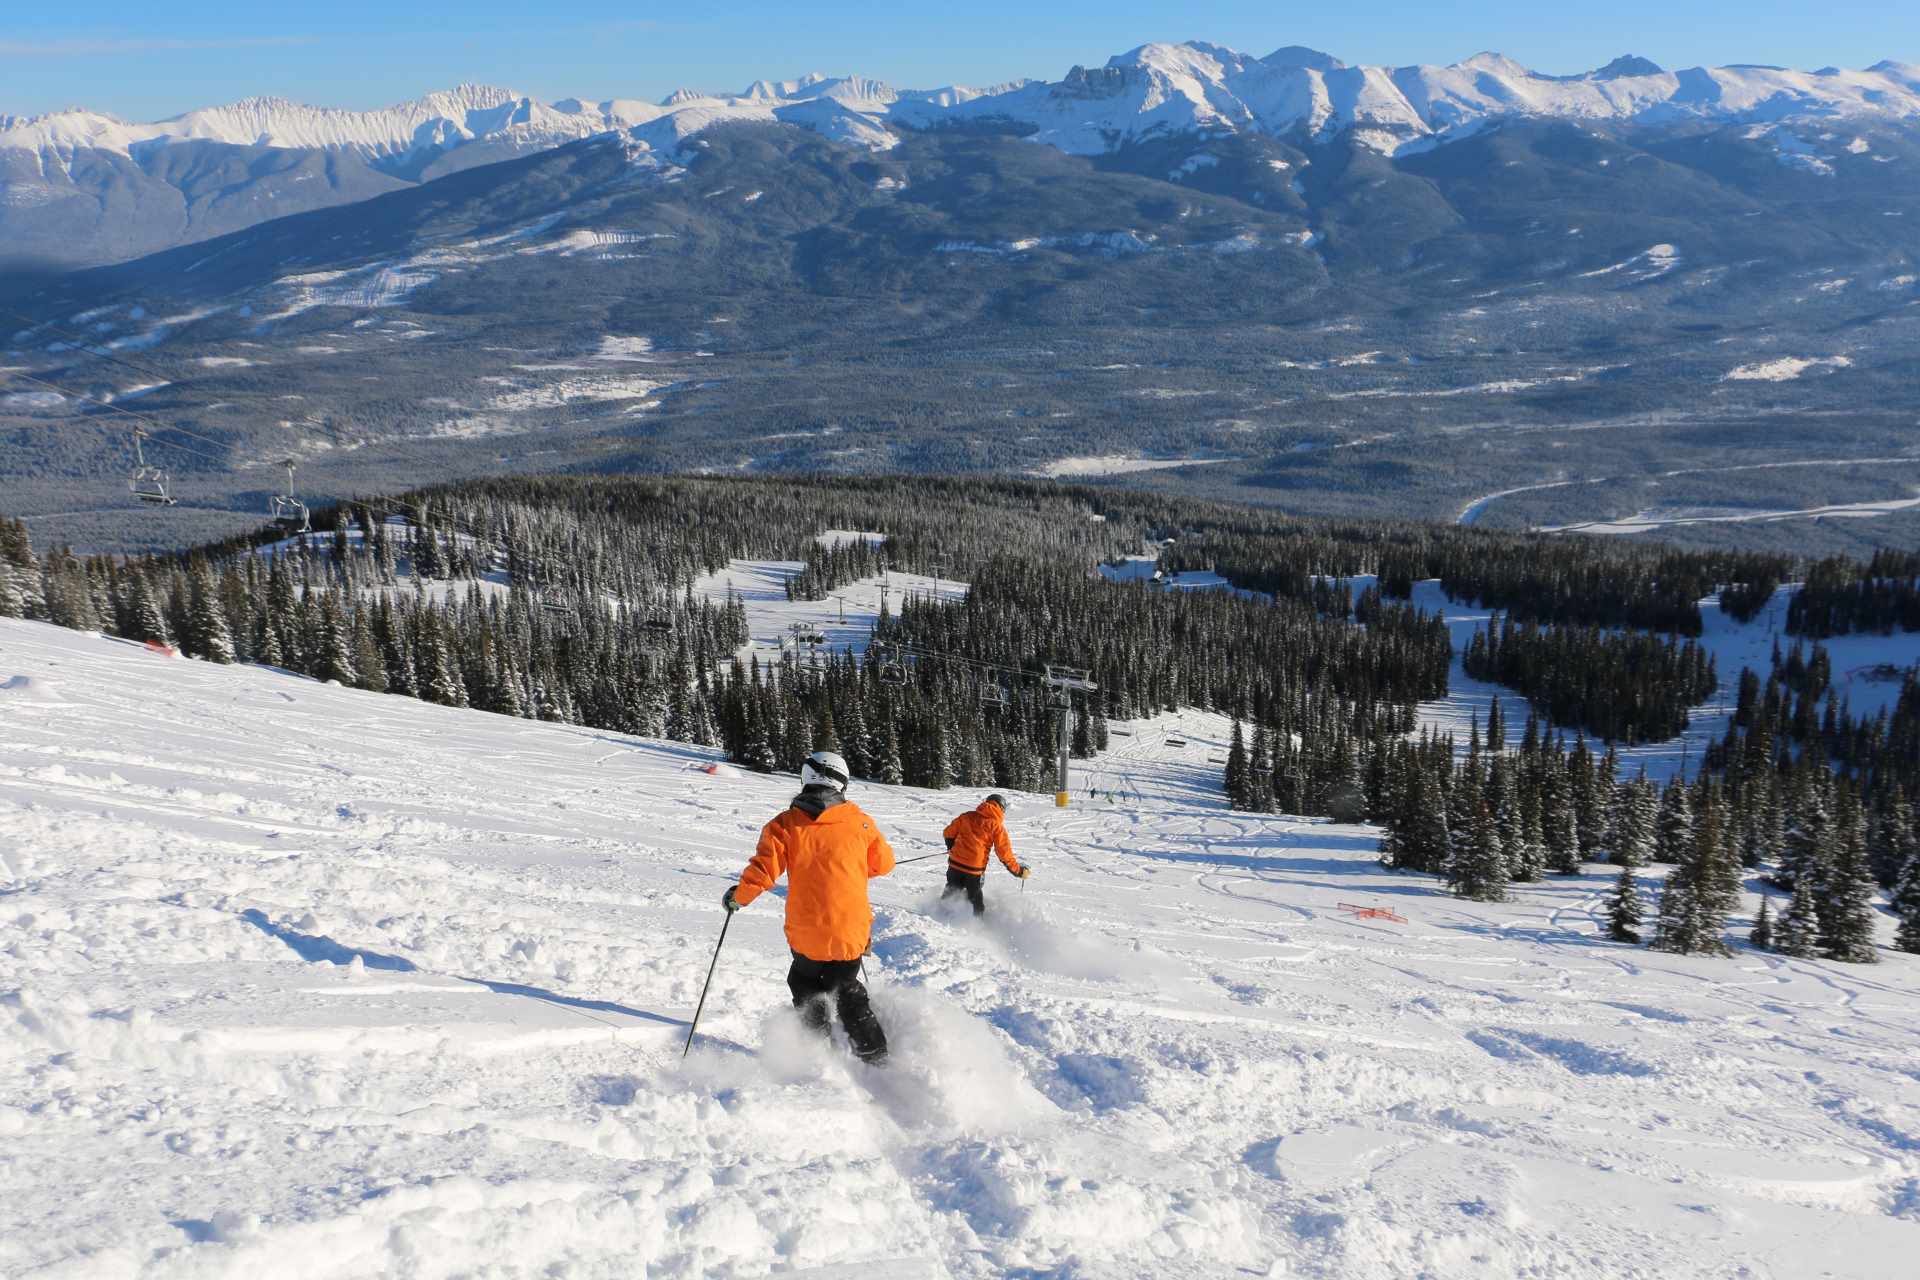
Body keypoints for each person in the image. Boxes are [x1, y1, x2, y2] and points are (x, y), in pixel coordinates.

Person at [723, 749, 895, 1064]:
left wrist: (739, 897)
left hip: (806, 934)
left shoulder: (784, 825)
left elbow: (762, 872)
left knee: (803, 982)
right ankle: (873, 1051)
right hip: (849, 932)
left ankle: (817, 1046)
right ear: (842, 784)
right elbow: (883, 864)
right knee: (844, 987)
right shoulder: (861, 823)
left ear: (806, 777)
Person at [941, 793, 1028, 916]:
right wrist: (1018, 870)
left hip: (955, 864)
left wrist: (951, 847)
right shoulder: (997, 827)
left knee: (951, 890)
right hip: (974, 869)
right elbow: (1004, 854)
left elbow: (948, 833)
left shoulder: (967, 816)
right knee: (975, 900)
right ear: (1002, 809)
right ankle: (977, 924)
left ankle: (939, 915)